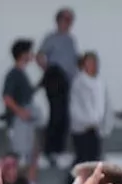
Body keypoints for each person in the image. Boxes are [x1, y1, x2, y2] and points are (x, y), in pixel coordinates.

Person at [35, 7, 77, 168]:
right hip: (55, 80)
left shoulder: (71, 40)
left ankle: (59, 150)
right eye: (66, 20)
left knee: (64, 116)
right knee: (56, 114)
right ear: (58, 21)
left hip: (67, 82)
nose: (68, 23)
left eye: (70, 20)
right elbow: (40, 56)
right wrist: (48, 71)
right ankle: (50, 150)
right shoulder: (51, 38)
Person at [2, 41, 39, 184]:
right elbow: (7, 97)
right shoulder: (14, 74)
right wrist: (21, 112)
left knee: (30, 154)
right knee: (20, 157)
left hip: (27, 123)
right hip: (19, 123)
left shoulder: (22, 74)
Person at [68, 52, 111, 169]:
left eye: (94, 63)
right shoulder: (79, 82)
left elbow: (104, 105)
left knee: (94, 158)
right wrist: (88, 121)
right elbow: (80, 106)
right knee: (82, 158)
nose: (92, 66)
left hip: (95, 128)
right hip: (82, 128)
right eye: (89, 63)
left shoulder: (100, 82)